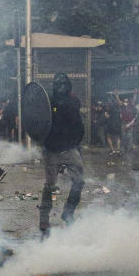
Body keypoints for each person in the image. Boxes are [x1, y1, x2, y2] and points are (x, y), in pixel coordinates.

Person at [39, 73, 85, 238]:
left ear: (69, 85)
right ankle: (44, 219)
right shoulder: (47, 102)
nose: (61, 87)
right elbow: (39, 122)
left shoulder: (74, 101)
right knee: (50, 186)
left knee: (79, 181)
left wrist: (77, 140)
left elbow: (78, 123)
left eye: (64, 84)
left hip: (70, 147)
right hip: (52, 149)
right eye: (58, 84)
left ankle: (68, 212)